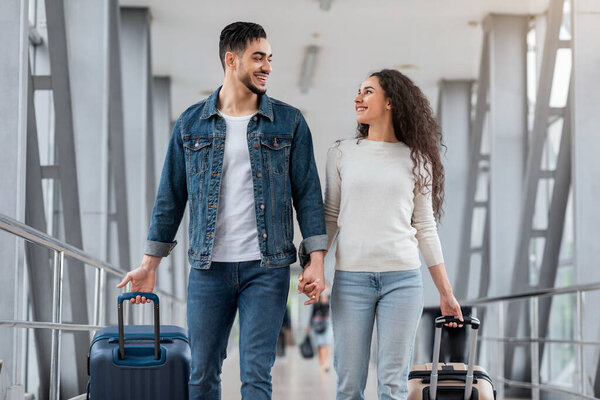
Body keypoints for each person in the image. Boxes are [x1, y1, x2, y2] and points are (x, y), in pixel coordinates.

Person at [116, 22, 328, 400]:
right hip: (208, 269)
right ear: (231, 60)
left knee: (256, 376)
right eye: (257, 58)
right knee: (201, 374)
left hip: (267, 268)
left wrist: (316, 260)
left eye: (269, 59)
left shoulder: (289, 122)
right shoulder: (191, 123)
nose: (267, 67)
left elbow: (308, 194)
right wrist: (149, 264)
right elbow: (170, 197)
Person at [325, 69, 463, 400]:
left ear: (390, 101)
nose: (358, 98)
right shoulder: (343, 153)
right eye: (358, 91)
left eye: (368, 91)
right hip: (351, 280)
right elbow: (330, 216)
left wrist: (446, 293)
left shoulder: (417, 160)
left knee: (393, 385)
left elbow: (426, 228)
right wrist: (314, 264)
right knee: (349, 384)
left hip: (402, 281)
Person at [307, 290, 332, 372]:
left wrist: (325, 302)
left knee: (326, 343)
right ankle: (321, 362)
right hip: (317, 324)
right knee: (319, 344)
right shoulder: (316, 299)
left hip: (327, 323)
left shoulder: (330, 299)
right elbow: (313, 313)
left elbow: (329, 311)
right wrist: (309, 325)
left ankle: (326, 363)